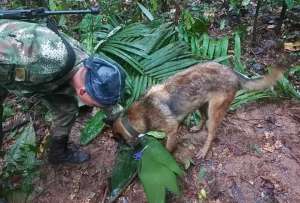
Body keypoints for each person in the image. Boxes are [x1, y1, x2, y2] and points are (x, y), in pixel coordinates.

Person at [0, 19, 126, 164]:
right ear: (83, 92)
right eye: (96, 105)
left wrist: (125, 124)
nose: (99, 107)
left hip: (44, 81)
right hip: (7, 67)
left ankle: (57, 154)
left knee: (66, 110)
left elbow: (106, 98)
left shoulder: (91, 67)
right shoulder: (42, 55)